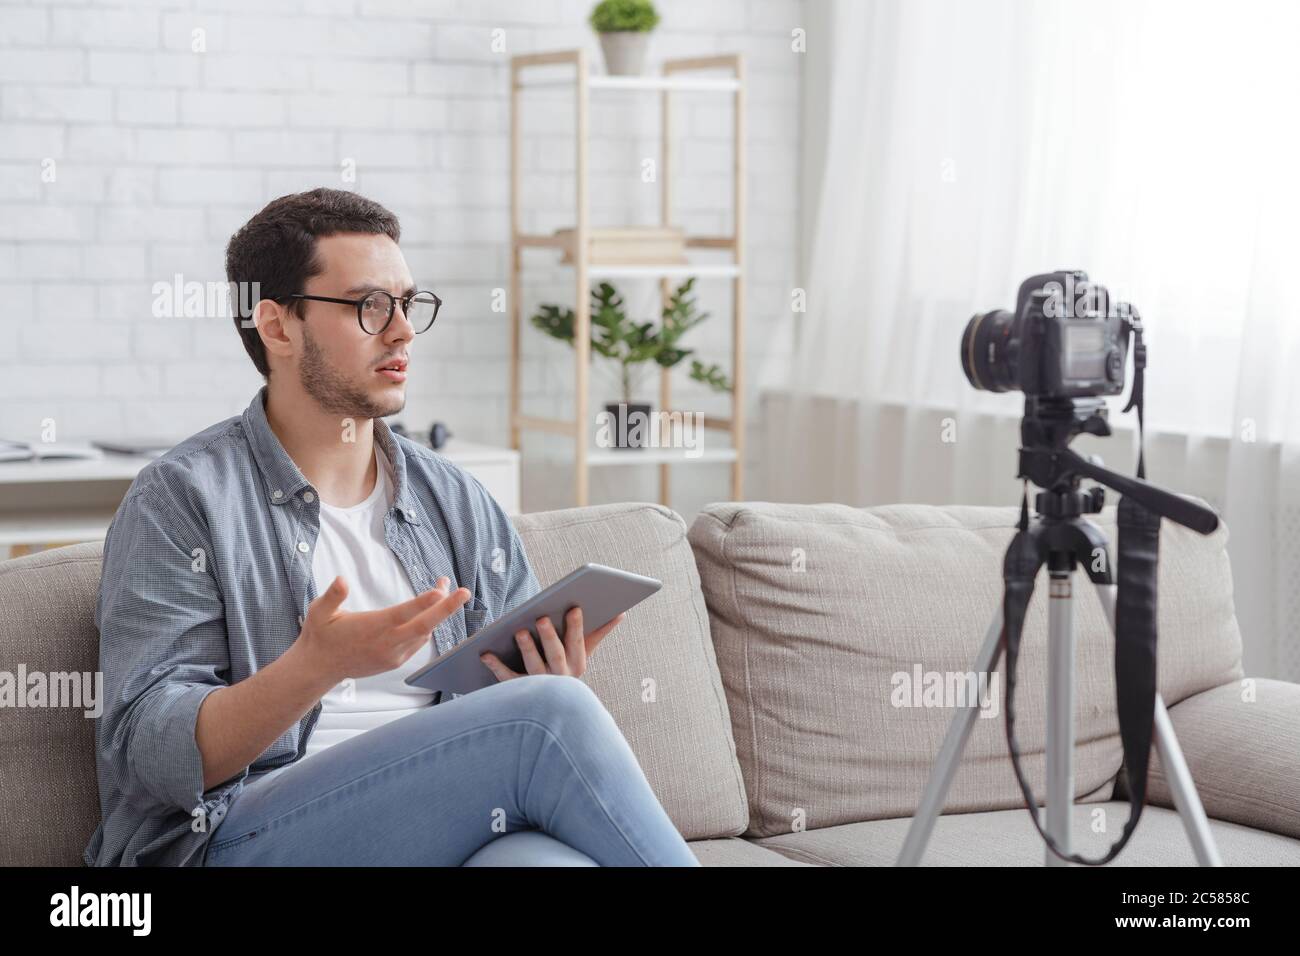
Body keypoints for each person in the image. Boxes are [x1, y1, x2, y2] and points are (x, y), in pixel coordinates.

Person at [84, 188, 701, 867]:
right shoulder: (182, 498)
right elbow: (149, 752)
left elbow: (501, 719)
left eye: (408, 304)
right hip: (235, 834)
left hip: (429, 827)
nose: (403, 330)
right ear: (278, 326)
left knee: (542, 861)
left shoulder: (454, 497)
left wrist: (534, 677)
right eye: (369, 306)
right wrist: (313, 669)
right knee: (550, 718)